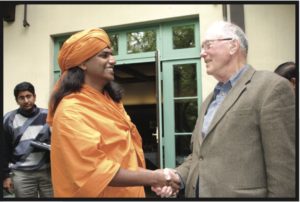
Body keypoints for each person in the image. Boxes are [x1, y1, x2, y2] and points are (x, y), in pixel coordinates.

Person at [152, 20, 295, 198]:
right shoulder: (209, 100)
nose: (201, 53)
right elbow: (199, 157)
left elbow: (284, 171)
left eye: (207, 45)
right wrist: (176, 177)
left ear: (233, 45)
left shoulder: (271, 88)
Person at [46, 28, 180, 198]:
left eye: (111, 54)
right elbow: (98, 170)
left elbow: (123, 160)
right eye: (104, 55)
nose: (113, 60)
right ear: (82, 63)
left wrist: (158, 177)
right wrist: (155, 177)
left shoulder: (112, 102)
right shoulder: (70, 111)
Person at [3, 82, 53, 198]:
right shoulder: (9, 119)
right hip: (22, 174)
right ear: (17, 100)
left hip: (48, 172)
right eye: (21, 98)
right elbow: (4, 150)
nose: (26, 101)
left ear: (34, 97)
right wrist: (5, 176)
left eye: (28, 96)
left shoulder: (48, 116)